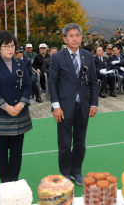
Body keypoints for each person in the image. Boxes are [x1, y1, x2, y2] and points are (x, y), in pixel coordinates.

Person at [49, 23, 98, 185]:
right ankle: (65, 173)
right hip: (63, 107)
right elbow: (52, 83)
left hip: (83, 106)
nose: (75, 38)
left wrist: (94, 103)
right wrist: (56, 106)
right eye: (71, 36)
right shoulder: (57, 57)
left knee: (79, 143)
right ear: (65, 39)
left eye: (77, 35)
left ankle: (76, 171)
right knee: (64, 143)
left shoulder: (88, 56)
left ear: (82, 38)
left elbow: (93, 82)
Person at [0, 30, 32, 183]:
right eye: (6, 46)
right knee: (2, 151)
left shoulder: (21, 63)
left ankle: (15, 179)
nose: (10, 49)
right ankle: (5, 180)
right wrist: (7, 107)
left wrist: (20, 105)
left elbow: (28, 86)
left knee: (17, 151)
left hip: (20, 113)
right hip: (0, 115)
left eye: (12, 45)